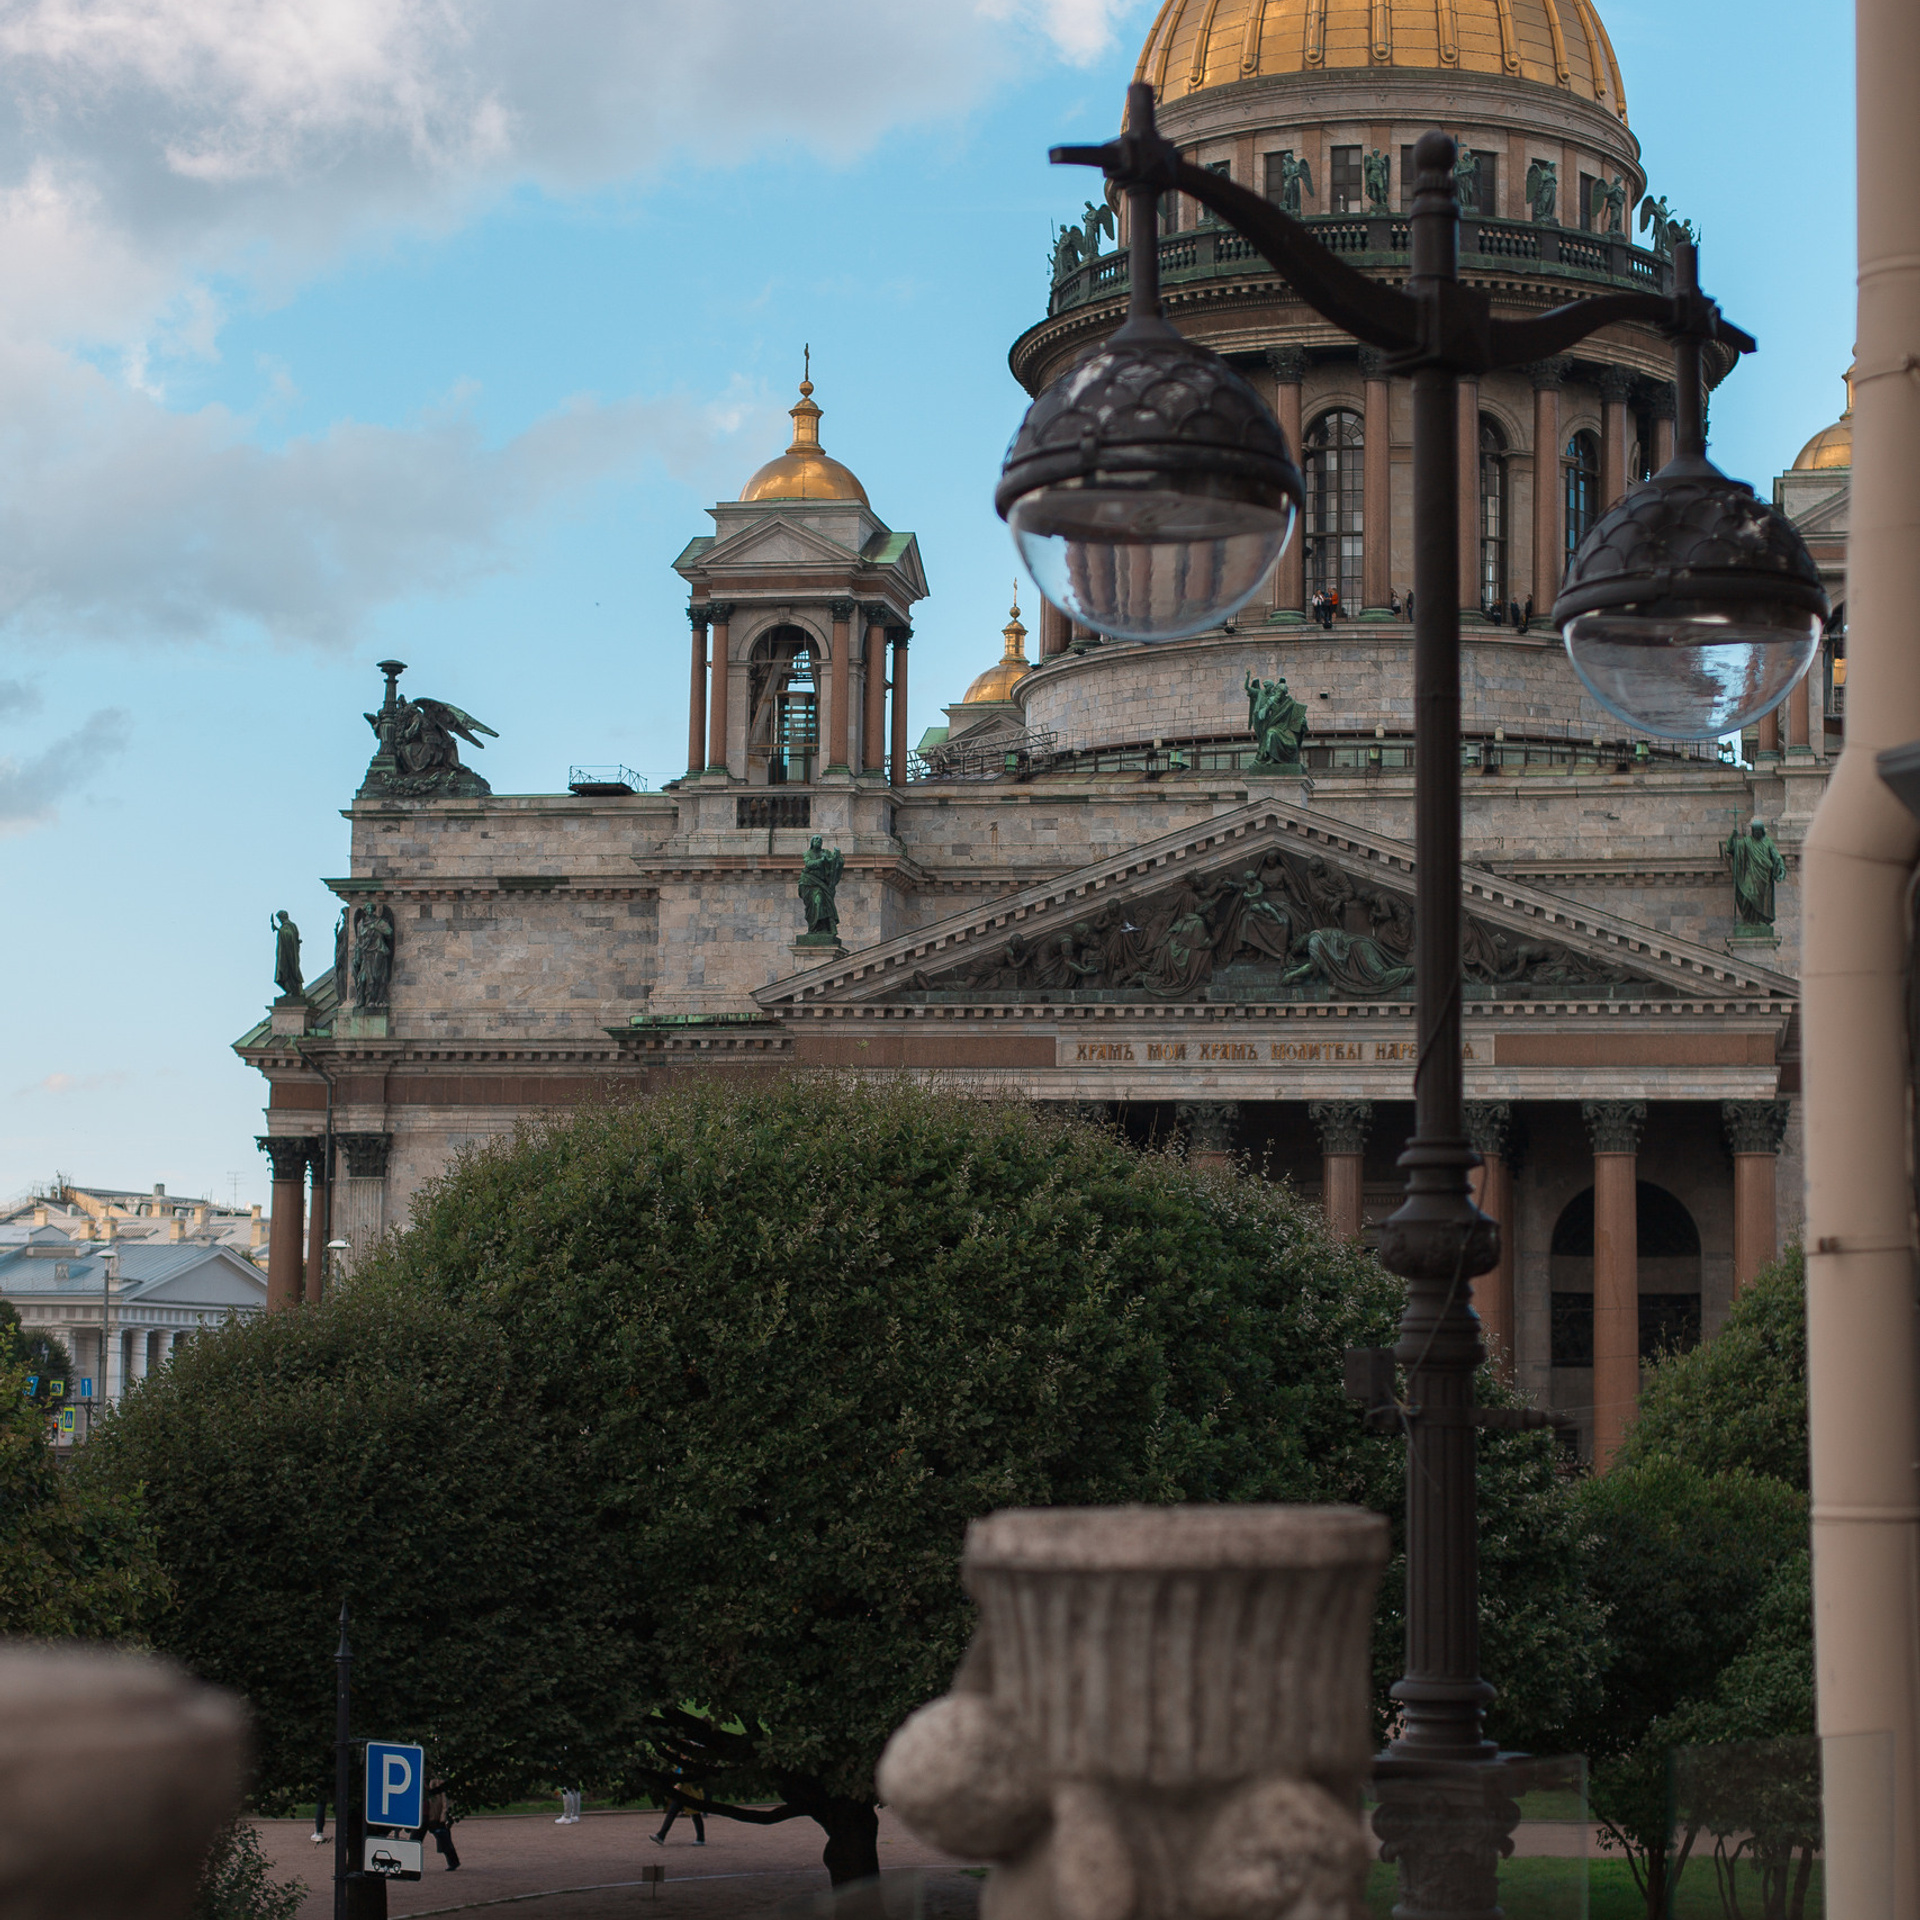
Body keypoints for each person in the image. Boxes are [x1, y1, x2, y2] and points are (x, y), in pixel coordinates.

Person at [652, 1782, 707, 1847]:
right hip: (683, 1792)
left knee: (695, 1815)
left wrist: (679, 1785)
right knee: (672, 1812)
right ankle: (661, 1835)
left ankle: (701, 1838)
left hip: (692, 1792)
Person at [422, 1779, 460, 1871]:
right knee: (414, 1841)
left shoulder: (437, 1781)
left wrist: (443, 1817)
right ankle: (409, 1864)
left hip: (435, 1816)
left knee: (444, 1840)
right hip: (421, 1816)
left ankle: (453, 1862)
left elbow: (445, 1801)